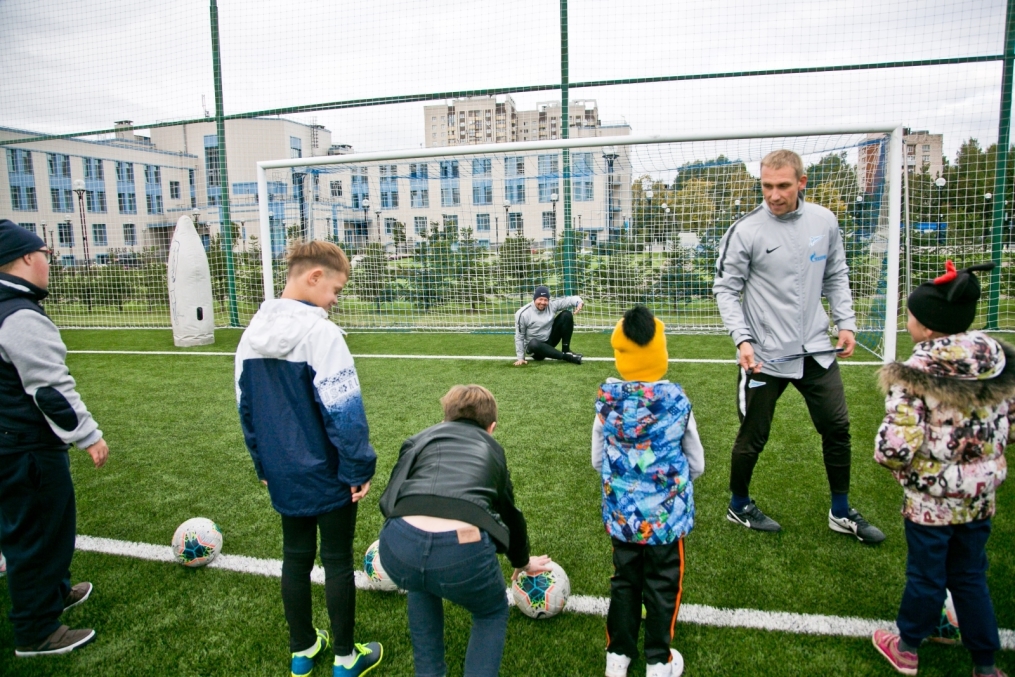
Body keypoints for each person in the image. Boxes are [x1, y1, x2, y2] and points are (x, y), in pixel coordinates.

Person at [712, 149, 884, 542]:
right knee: (753, 436)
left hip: (816, 350)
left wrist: (846, 322)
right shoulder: (746, 230)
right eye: (767, 186)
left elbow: (836, 274)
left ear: (801, 182)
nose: (774, 195)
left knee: (837, 427)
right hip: (764, 355)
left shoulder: (824, 221)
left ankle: (840, 512)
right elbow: (726, 289)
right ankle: (739, 505)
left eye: (783, 186)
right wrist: (742, 339)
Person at [235, 240, 383, 677]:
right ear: (313, 276)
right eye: (335, 289)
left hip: (283, 471)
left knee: (294, 557)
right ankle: (344, 658)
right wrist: (358, 468)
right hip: (329, 472)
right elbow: (345, 412)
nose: (335, 300)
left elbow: (246, 411)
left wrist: (263, 465)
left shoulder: (250, 334)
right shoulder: (322, 333)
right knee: (337, 560)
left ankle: (302, 651)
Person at [872, 261, 1010, 677]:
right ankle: (985, 665)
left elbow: (895, 446)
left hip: (931, 501)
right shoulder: (996, 362)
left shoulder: (915, 374)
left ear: (928, 328)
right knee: (970, 575)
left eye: (910, 316)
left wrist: (898, 468)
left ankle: (908, 647)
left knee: (926, 575)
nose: (907, 321)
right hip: (980, 498)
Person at [378, 384, 550, 677]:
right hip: (462, 552)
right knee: (491, 612)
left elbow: (388, 500)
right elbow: (510, 514)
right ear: (491, 427)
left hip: (398, 546)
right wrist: (522, 561)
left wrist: (404, 537)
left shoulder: (418, 439)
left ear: (445, 418)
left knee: (420, 585)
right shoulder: (493, 450)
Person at [0, 219, 108, 657]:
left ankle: (53, 592)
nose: (48, 262)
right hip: (24, 447)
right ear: (27, 257)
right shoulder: (18, 313)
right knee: (38, 534)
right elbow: (49, 388)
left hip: (10, 443)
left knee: (41, 529)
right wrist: (89, 436)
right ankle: (37, 631)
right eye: (45, 254)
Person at [593, 306, 703, 677]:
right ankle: (659, 660)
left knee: (624, 580)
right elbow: (697, 462)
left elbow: (597, 460)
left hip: (623, 516)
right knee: (662, 584)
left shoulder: (607, 402)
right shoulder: (676, 402)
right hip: (665, 518)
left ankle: (617, 657)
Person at [513, 285, 584, 365]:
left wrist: (579, 302)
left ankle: (566, 350)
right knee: (533, 343)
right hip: (535, 349)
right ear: (534, 299)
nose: (543, 302)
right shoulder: (523, 314)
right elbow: (519, 337)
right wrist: (520, 358)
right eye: (540, 299)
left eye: (545, 300)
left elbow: (569, 300)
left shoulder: (552, 305)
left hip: (549, 341)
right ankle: (567, 357)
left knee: (566, 315)